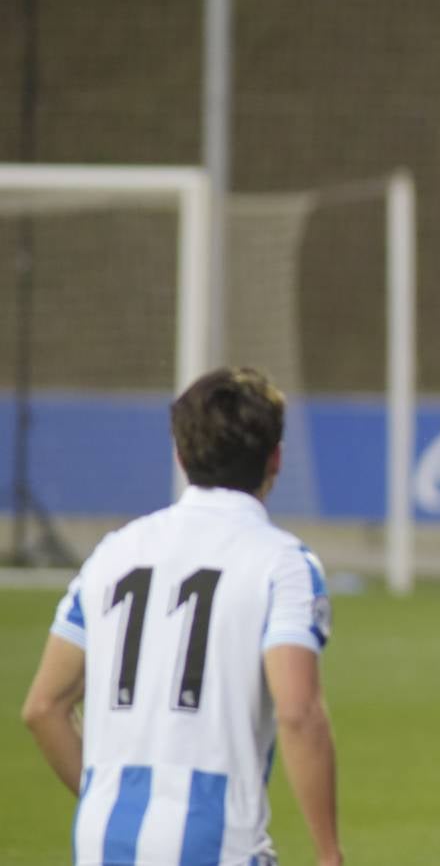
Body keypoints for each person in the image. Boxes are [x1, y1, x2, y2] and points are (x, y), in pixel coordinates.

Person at [21, 367, 341, 866]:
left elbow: (43, 707)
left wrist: (106, 798)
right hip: (216, 846)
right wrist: (329, 854)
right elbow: (298, 712)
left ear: (180, 453)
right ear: (276, 458)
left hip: (102, 841)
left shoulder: (112, 553)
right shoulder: (284, 564)